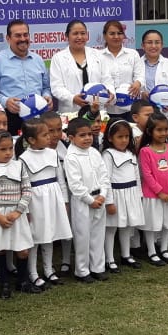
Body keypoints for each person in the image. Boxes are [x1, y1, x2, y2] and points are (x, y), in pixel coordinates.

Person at [0, 131, 36, 297]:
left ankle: (22, 281)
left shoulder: (19, 166)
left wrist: (18, 211)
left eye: (10, 148)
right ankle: (4, 283)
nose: (8, 152)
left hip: (17, 215)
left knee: (23, 250)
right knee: (0, 249)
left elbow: (27, 190)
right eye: (3, 149)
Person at [20, 117, 72, 285]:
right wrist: (26, 210)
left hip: (53, 197)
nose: (49, 137)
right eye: (44, 134)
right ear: (31, 140)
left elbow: (60, 180)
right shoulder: (23, 159)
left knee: (50, 234)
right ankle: (33, 272)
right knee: (36, 236)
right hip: (36, 200)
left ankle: (49, 270)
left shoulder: (52, 153)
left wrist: (64, 201)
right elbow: (24, 186)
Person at [64, 117, 111, 282]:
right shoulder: (71, 157)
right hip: (83, 202)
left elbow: (104, 175)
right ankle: (82, 270)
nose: (87, 138)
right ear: (71, 138)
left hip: (99, 198)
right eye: (82, 135)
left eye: (89, 134)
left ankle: (97, 267)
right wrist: (90, 200)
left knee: (98, 234)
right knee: (83, 236)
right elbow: (75, 184)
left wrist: (103, 194)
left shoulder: (95, 152)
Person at [0, 20, 52, 135]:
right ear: (8, 38)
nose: (22, 39)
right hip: (11, 118)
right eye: (18, 35)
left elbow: (46, 87)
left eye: (25, 35)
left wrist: (47, 96)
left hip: (38, 117)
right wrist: (5, 101)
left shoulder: (38, 59)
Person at [101, 119, 144, 270]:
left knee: (127, 226)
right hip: (116, 195)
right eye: (120, 137)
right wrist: (109, 202)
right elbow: (105, 179)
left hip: (130, 194)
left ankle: (126, 255)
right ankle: (110, 258)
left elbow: (137, 176)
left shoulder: (131, 154)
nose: (124, 140)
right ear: (110, 138)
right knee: (111, 228)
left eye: (126, 136)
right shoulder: (108, 155)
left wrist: (139, 195)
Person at [138, 112, 168, 266]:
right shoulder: (145, 151)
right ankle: (151, 251)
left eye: (166, 130)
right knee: (152, 223)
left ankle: (164, 248)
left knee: (167, 222)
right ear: (150, 131)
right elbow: (147, 175)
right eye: (159, 130)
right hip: (153, 196)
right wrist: (160, 192)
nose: (163, 133)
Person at [49, 19, 111, 115]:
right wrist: (72, 98)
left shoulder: (98, 55)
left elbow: (107, 80)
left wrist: (110, 93)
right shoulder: (58, 58)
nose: (79, 37)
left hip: (98, 111)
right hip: (71, 112)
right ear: (67, 36)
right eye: (75, 33)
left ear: (87, 36)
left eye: (83, 33)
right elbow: (56, 87)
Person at [139, 30, 168, 136]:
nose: (153, 46)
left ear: (162, 45)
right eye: (149, 42)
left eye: (157, 42)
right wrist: (141, 93)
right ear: (142, 46)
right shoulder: (137, 63)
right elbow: (132, 86)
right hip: (144, 111)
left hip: (165, 112)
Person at [100, 20, 145, 120]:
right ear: (104, 36)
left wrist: (138, 83)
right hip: (106, 109)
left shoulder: (133, 54)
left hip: (130, 108)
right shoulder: (98, 56)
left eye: (119, 33)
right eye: (112, 33)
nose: (116, 36)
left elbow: (140, 75)